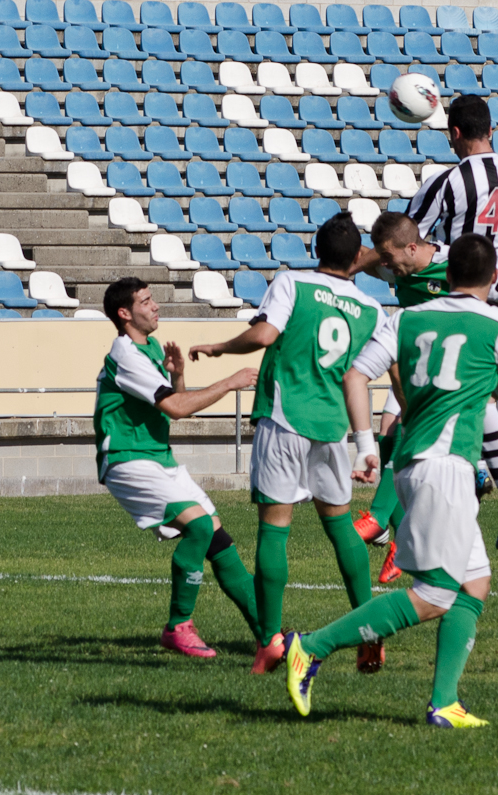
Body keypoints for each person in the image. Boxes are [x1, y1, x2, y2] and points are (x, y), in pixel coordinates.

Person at [285, 234, 498, 728]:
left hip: (414, 461)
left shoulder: (406, 318)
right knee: (436, 594)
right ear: (493, 277)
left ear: (447, 275)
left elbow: (356, 376)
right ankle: (310, 647)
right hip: (446, 467)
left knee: (473, 583)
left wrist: (368, 447)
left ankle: (444, 703)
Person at [188, 214, 387, 676]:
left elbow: (265, 335)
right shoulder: (372, 309)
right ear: (358, 258)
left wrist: (218, 347)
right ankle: (370, 631)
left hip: (284, 417)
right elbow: (368, 373)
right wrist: (366, 441)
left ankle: (271, 641)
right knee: (340, 528)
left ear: (316, 248)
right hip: (334, 426)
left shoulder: (291, 283)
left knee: (275, 529)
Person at [355, 95, 498, 555]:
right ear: (490, 128)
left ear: (454, 133)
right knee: (470, 393)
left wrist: (345, 266)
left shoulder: (450, 180)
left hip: (450, 290)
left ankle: (381, 518)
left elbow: (403, 240)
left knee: (416, 398)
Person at [96, 277, 262, 658]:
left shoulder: (149, 347)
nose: (155, 306)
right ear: (125, 314)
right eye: (146, 301)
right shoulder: (126, 354)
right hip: (127, 458)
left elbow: (176, 401)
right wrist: (231, 382)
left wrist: (177, 375)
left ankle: (267, 634)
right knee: (200, 526)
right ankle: (178, 626)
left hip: (158, 457)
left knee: (220, 542)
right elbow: (176, 408)